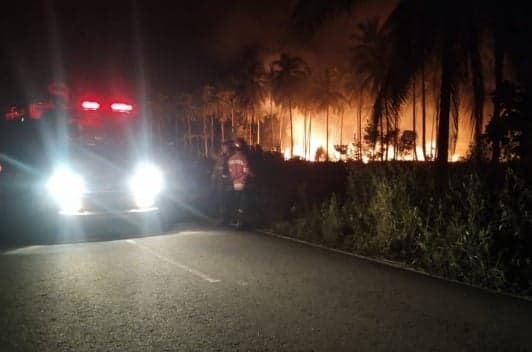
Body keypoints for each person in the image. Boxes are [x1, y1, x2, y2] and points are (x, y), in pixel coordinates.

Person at [227, 138, 253, 229]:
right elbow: (246, 171)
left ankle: (234, 220)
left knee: (236, 203)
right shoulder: (243, 158)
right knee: (243, 204)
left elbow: (231, 173)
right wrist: (253, 175)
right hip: (243, 183)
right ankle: (240, 222)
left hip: (235, 184)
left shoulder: (230, 159)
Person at [211, 140, 233, 224]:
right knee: (222, 200)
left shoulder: (230, 156)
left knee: (228, 199)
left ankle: (228, 217)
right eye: (222, 147)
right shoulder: (221, 157)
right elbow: (217, 167)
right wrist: (214, 176)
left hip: (228, 182)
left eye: (225, 147)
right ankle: (223, 217)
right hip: (220, 182)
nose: (223, 149)